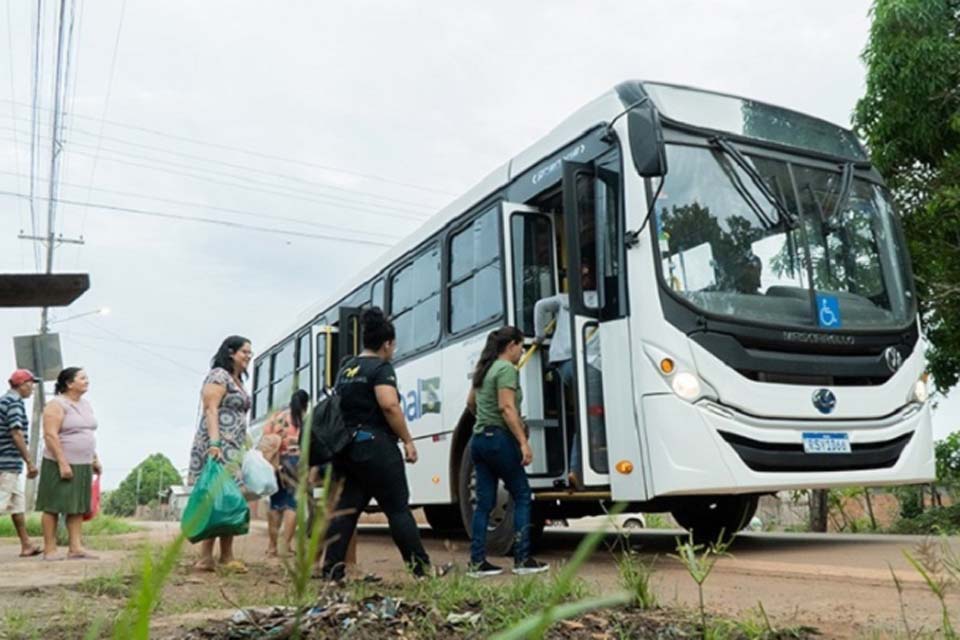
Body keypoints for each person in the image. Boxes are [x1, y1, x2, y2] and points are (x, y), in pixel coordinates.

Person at [320, 307, 432, 581]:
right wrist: (407, 440)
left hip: (347, 449)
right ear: (387, 344)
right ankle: (421, 570)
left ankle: (332, 571)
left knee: (345, 512)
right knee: (397, 509)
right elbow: (389, 405)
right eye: (393, 345)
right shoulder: (381, 368)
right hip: (377, 447)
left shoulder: (346, 369)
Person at [466, 326, 549, 578]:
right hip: (498, 440)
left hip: (478, 440)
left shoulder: (484, 370)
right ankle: (523, 559)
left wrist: (484, 419)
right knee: (522, 495)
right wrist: (523, 441)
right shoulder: (505, 370)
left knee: (483, 505)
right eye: (520, 346)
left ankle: (477, 562)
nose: (521, 351)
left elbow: (471, 403)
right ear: (511, 345)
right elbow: (507, 407)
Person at [188, 335, 253, 573]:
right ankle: (206, 557)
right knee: (214, 499)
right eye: (245, 352)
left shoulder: (238, 381)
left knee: (230, 500)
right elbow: (211, 410)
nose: (248, 356)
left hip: (234, 447)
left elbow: (239, 418)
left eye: (250, 353)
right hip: (218, 445)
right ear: (231, 353)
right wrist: (214, 444)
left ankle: (226, 556)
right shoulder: (218, 376)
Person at [533, 261, 599, 489]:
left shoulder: (565, 299)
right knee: (592, 417)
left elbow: (540, 306)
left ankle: (580, 467)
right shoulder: (599, 298)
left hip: (562, 363)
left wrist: (540, 336)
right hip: (586, 363)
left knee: (585, 414)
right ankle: (579, 468)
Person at [36, 367, 101, 560]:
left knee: (77, 506)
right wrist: (62, 463)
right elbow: (50, 434)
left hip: (83, 463)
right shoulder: (56, 405)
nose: (86, 381)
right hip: (59, 461)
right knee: (53, 505)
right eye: (82, 378)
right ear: (69, 383)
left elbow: (87, 434)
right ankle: (50, 549)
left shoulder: (85, 405)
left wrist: (95, 459)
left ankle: (75, 547)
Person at [0, 369, 41, 557]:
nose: (32, 388)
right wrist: (30, 462)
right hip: (6, 462)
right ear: (22, 384)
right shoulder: (14, 403)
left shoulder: (5, 401)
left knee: (17, 505)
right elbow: (16, 433)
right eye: (31, 384)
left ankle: (26, 545)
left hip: (10, 463)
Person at [262, 390, 308, 557]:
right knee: (292, 504)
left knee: (275, 503)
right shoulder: (303, 419)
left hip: (276, 462)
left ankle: (272, 546)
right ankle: (285, 547)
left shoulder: (277, 417)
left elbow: (265, 437)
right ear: (305, 403)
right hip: (295, 462)